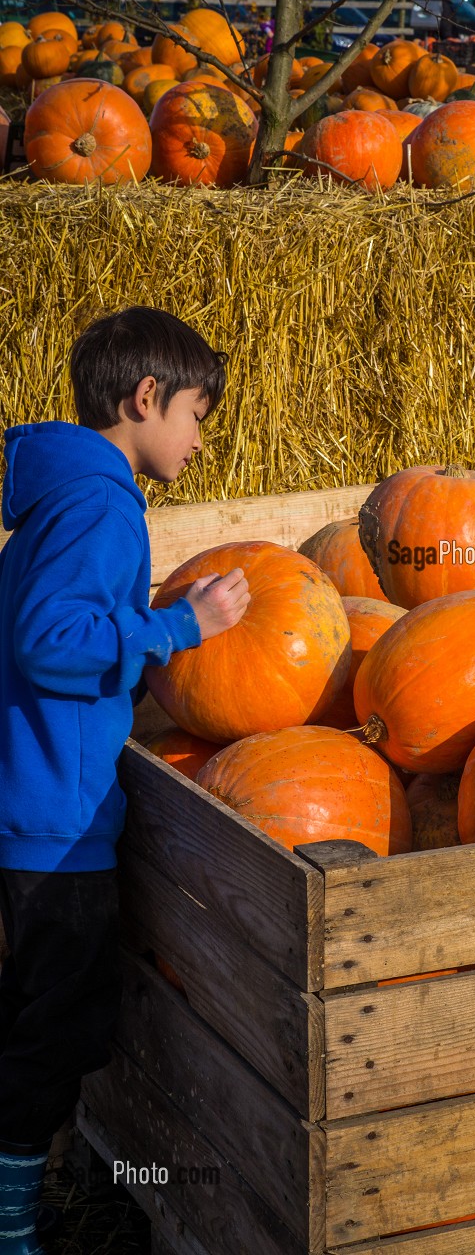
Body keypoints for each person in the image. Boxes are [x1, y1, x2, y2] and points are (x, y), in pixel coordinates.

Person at [0, 307, 250, 1251]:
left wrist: (143, 613)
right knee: (55, 1031)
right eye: (194, 415)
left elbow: (64, 613)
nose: (196, 439)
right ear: (145, 399)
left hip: (32, 798)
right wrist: (181, 631)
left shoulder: (66, 498)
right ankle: (14, 1225)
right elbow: (50, 642)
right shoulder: (105, 506)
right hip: (55, 820)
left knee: (35, 1011)